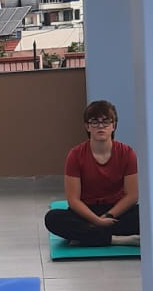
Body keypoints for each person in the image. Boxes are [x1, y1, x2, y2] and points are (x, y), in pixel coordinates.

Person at [44, 100, 140, 247]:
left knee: (146, 213)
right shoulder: (75, 155)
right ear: (87, 126)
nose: (100, 126)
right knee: (53, 218)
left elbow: (132, 195)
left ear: (114, 126)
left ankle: (87, 235)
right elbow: (73, 200)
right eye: (95, 122)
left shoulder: (127, 153)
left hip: (116, 212)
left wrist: (108, 216)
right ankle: (115, 239)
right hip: (86, 212)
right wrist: (97, 221)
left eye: (106, 121)